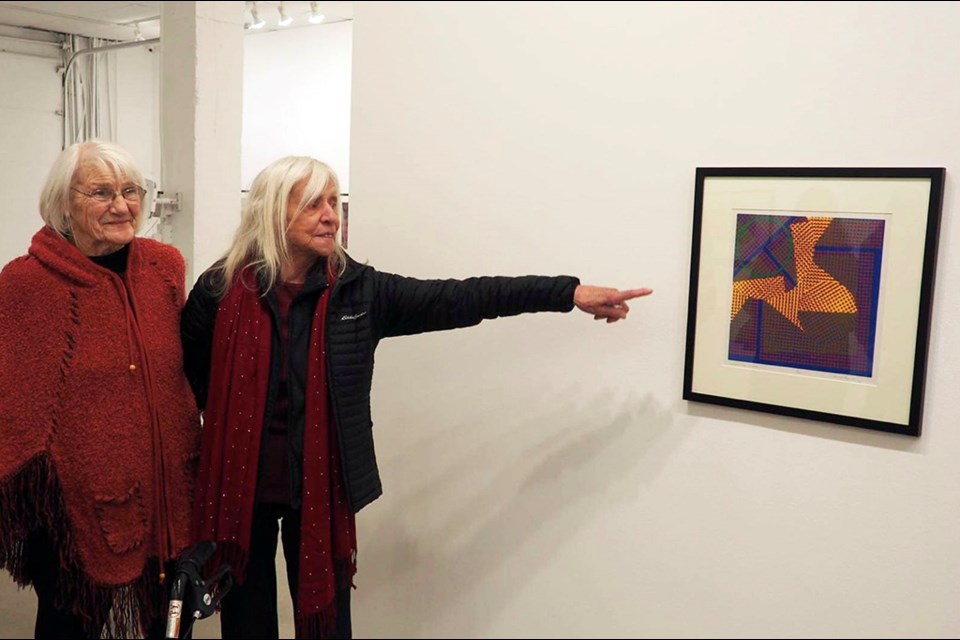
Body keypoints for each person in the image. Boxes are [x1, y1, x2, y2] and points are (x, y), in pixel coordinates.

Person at [180, 155, 652, 640]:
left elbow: (464, 298)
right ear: (274, 213)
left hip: (321, 488)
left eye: (333, 201)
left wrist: (567, 292)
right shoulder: (219, 291)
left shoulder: (359, 292)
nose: (331, 214)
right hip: (240, 488)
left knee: (327, 622)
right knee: (246, 623)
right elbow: (193, 375)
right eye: (312, 204)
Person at [0, 140, 201, 639]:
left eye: (130, 190)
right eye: (101, 192)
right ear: (63, 204)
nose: (121, 205)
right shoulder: (25, 284)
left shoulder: (164, 267)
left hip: (167, 495)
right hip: (73, 513)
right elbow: (16, 404)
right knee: (69, 625)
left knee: (170, 621)